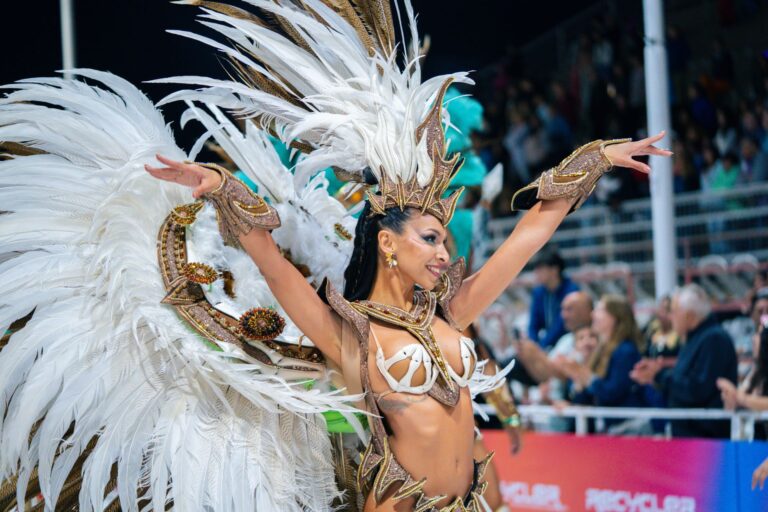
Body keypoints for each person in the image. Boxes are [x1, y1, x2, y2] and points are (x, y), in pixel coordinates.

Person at [0, 2, 671, 511]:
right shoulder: (350, 337)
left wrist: (597, 158)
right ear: (388, 243)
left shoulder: (454, 312)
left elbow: (528, 237)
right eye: (430, 238)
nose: (445, 251)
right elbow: (272, 265)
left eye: (444, 238)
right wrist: (224, 187)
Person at [631, 284, 738, 438]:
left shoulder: (714, 339)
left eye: (673, 311)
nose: (670, 317)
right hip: (689, 433)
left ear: (689, 315)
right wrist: (657, 375)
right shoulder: (695, 338)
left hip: (705, 438)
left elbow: (697, 389)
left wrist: (659, 375)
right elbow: (685, 380)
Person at [557, 295, 646, 415]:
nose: (593, 314)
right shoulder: (601, 350)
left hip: (628, 423)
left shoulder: (625, 351)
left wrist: (585, 376)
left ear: (614, 317)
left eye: (599, 310)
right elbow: (589, 398)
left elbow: (613, 393)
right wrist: (577, 381)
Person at [527, 249, 580, 350]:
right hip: (546, 345)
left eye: (541, 269)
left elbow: (561, 325)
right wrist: (532, 345)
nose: (536, 273)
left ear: (554, 270)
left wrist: (540, 347)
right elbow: (533, 324)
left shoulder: (571, 291)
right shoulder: (538, 292)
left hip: (568, 342)